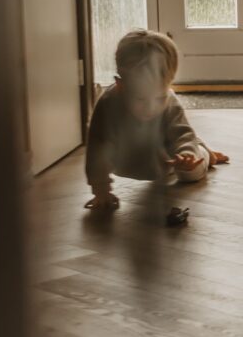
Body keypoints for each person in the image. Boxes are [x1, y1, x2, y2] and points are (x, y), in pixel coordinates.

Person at [84, 29, 228, 216]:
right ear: (120, 86)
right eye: (141, 99)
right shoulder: (107, 105)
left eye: (159, 98)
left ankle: (202, 152)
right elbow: (96, 150)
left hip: (169, 157)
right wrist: (100, 190)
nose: (151, 107)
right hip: (127, 159)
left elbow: (182, 135)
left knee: (191, 172)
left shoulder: (170, 102)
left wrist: (186, 154)